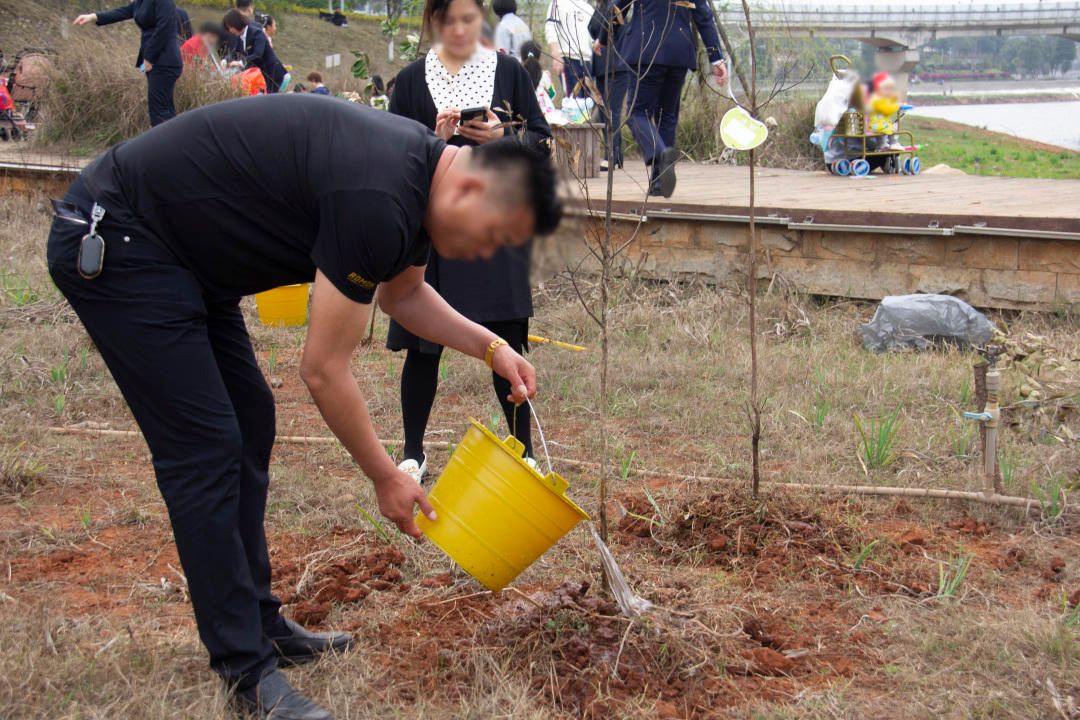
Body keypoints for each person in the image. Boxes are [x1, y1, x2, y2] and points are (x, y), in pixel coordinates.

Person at [47, 94, 559, 719]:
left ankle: (259, 620)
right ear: (472, 188)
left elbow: (405, 296)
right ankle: (245, 672)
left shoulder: (423, 181)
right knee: (206, 447)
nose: (481, 255)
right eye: (490, 238)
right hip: (122, 239)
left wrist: (492, 347)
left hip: (183, 260)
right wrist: (384, 476)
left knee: (250, 419)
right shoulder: (380, 199)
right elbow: (322, 369)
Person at [386, 0, 552, 483]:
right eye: (448, 18)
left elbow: (541, 143)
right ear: (433, 22)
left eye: (467, 17)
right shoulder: (412, 81)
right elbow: (392, 155)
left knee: (507, 341)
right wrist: (429, 143)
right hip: (434, 229)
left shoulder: (511, 73)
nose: (459, 28)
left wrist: (502, 137)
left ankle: (524, 452)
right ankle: (413, 454)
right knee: (422, 347)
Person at [597, 0, 728, 196]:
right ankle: (659, 184)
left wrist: (603, 38)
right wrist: (716, 58)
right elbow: (703, 15)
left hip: (646, 49)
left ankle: (659, 154)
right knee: (667, 116)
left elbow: (618, 7)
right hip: (679, 53)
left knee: (636, 114)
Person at [73, 0, 183, 127]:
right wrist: (93, 16)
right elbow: (123, 12)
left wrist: (149, 58)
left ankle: (164, 145)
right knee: (166, 111)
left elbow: (165, 28)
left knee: (159, 113)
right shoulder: (141, 2)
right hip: (155, 61)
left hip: (164, 61)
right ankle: (176, 143)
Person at [589, 0, 629, 170]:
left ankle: (611, 156)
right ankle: (616, 156)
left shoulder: (614, 6)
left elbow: (614, 28)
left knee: (612, 111)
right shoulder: (598, 8)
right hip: (601, 67)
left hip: (616, 65)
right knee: (606, 111)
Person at [224, 9, 288, 93]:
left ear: (236, 23)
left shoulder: (257, 33)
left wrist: (241, 63)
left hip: (273, 75)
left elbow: (258, 55)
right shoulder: (239, 37)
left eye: (230, 27)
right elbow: (234, 52)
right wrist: (225, 60)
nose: (230, 30)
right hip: (259, 77)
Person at [544, 0, 594, 98]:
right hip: (569, 60)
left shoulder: (589, 8)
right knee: (572, 103)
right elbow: (551, 27)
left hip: (587, 62)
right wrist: (556, 56)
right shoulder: (558, 2)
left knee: (586, 104)